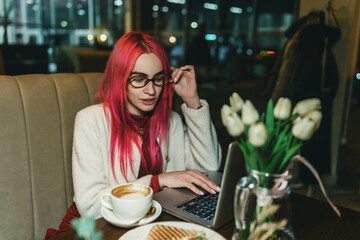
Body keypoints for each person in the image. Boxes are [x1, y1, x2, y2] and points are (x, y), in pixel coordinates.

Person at [45, 31, 221, 238]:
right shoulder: (90, 120)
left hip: (146, 224)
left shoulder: (171, 120)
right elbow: (91, 207)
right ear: (120, 78)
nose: (151, 90)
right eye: (139, 79)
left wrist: (192, 101)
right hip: (91, 229)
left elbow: (209, 167)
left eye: (158, 79)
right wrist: (158, 181)